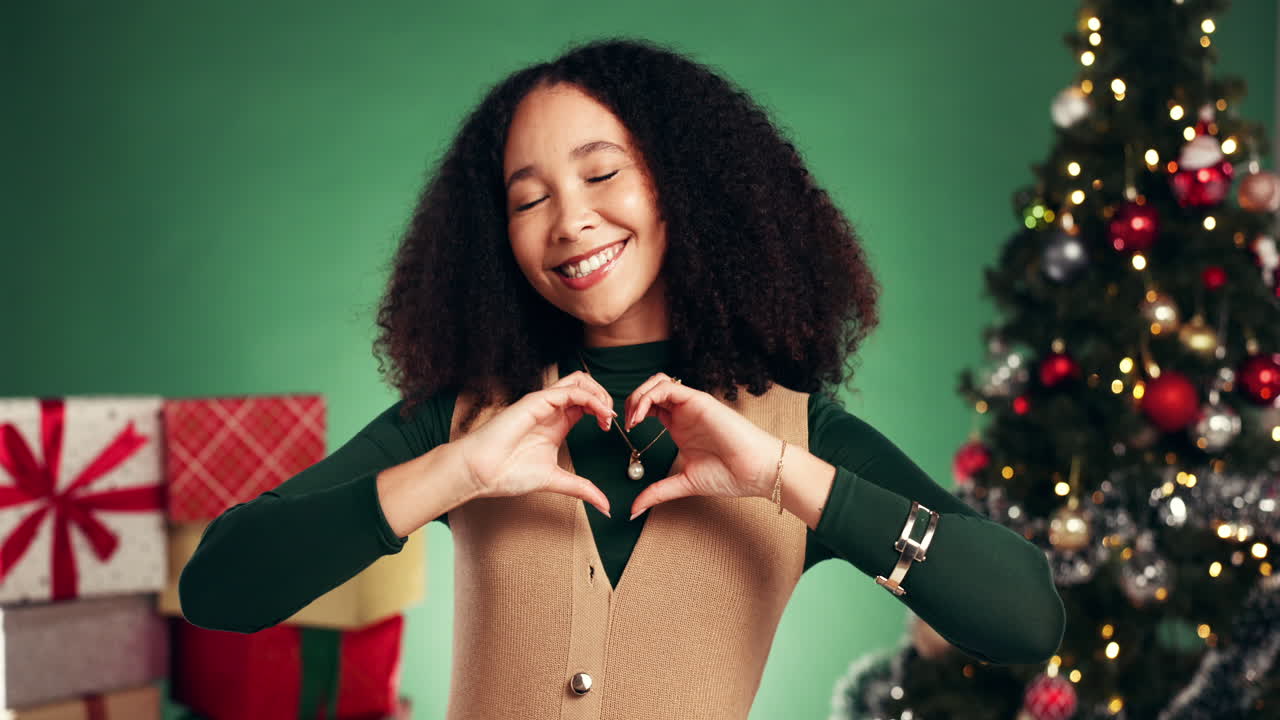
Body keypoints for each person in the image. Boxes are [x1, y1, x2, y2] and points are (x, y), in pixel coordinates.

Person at [178, 37, 1065, 718]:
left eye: (601, 173)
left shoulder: (797, 436)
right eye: (529, 200)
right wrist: (457, 474)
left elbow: (1025, 619)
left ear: (684, 186)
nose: (569, 221)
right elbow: (220, 588)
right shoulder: (466, 421)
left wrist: (780, 478)